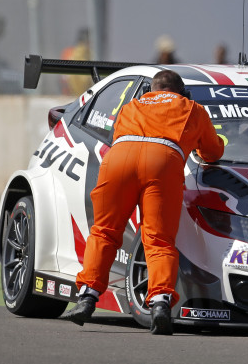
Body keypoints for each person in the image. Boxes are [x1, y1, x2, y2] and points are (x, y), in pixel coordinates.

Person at [62, 69, 224, 335]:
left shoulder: (132, 105)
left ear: (151, 90)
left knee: (103, 232)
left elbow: (118, 135)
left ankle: (87, 296)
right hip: (162, 161)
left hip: (119, 159)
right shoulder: (192, 108)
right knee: (159, 240)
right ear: (183, 92)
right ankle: (160, 304)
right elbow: (212, 151)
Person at [61, 28, 92, 97]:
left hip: (75, 94)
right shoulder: (82, 52)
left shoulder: (74, 52)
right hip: (80, 93)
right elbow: (84, 79)